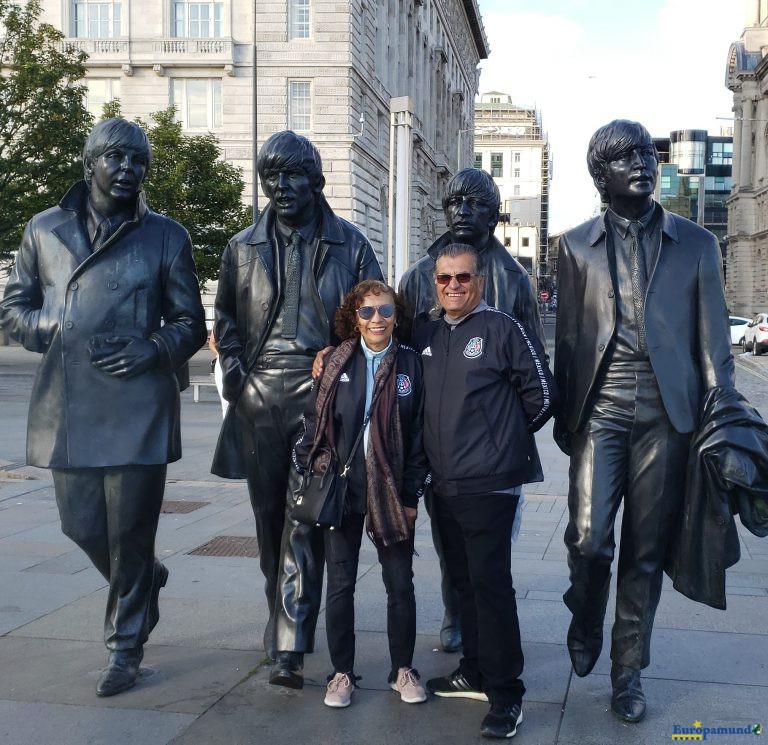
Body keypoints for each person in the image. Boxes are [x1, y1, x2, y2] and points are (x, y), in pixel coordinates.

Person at [0, 118, 207, 697]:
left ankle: (125, 646)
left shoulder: (166, 235)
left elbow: (190, 321)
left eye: (138, 161)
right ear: (88, 163)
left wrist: (154, 347)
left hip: (138, 402)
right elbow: (13, 308)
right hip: (69, 402)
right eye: (115, 157)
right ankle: (145, 580)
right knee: (81, 524)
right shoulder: (44, 229)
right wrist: (52, 325)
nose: (128, 170)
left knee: (131, 534)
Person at [554, 120, 734, 723]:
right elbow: (571, 340)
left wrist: (722, 417)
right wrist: (564, 418)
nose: (641, 162)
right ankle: (584, 612)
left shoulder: (697, 244)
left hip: (668, 412)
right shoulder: (575, 245)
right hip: (601, 407)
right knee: (589, 539)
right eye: (623, 156)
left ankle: (628, 670)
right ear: (600, 175)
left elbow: (715, 347)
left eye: (644, 152)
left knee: (645, 550)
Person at [211, 130, 383, 688]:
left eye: (291, 175)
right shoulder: (242, 247)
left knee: (303, 516)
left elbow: (373, 317)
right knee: (268, 521)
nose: (280, 187)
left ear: (315, 179)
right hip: (259, 394)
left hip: (321, 393)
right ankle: (279, 613)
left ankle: (290, 641)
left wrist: (339, 366)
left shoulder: (351, 245)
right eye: (270, 177)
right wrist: (238, 376)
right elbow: (226, 322)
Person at [398, 168, 545, 653]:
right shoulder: (418, 276)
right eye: (454, 203)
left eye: (475, 204)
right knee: (448, 541)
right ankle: (455, 609)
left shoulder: (514, 279)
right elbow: (398, 351)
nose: (462, 212)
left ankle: (492, 651)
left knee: (489, 555)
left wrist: (500, 435)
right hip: (436, 442)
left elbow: (538, 376)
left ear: (495, 214)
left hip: (488, 457)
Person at [417, 243, 556, 739]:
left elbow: (541, 394)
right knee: (463, 584)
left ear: (479, 281)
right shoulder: (426, 332)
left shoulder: (501, 328)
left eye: (463, 277)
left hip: (489, 486)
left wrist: (501, 447)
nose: (453, 286)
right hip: (442, 484)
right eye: (444, 279)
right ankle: (472, 670)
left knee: (491, 588)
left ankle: (505, 694)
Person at [294, 280, 428, 709]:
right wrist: (310, 467)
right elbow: (314, 422)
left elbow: (421, 436)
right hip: (343, 487)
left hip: (390, 487)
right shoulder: (335, 361)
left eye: (385, 311)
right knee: (341, 584)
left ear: (396, 316)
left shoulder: (411, 364)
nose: (377, 320)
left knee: (399, 583)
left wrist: (411, 497)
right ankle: (341, 673)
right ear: (354, 316)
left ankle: (402, 669)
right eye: (367, 311)